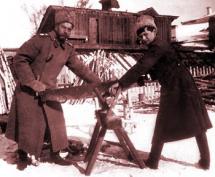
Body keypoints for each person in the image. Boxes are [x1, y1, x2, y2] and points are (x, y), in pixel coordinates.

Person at [110, 15, 212, 170]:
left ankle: (154, 161)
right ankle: (203, 161)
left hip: (179, 87)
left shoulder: (158, 46)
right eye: (141, 36)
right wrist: (139, 80)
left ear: (154, 31)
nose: (143, 38)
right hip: (178, 86)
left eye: (145, 34)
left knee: (177, 123)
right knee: (194, 123)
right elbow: (155, 70)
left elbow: (142, 66)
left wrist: (121, 82)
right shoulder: (156, 48)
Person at [5, 9, 100, 170]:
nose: (67, 31)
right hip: (29, 90)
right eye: (64, 27)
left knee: (56, 122)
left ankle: (55, 154)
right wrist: (32, 82)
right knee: (28, 126)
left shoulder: (67, 49)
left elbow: (81, 69)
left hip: (50, 91)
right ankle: (23, 155)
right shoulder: (39, 41)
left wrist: (99, 83)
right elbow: (19, 59)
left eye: (70, 29)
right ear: (56, 25)